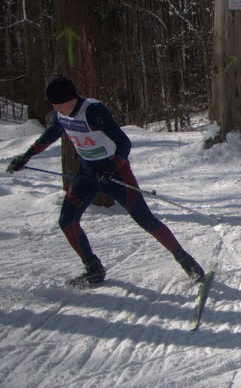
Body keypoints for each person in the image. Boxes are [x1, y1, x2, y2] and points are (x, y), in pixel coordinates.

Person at [5, 76, 205, 287]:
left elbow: (123, 142)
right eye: (53, 105)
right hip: (87, 174)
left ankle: (186, 261)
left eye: (58, 104)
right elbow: (49, 135)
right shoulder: (61, 115)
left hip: (116, 174)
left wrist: (112, 167)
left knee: (145, 219)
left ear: (71, 99)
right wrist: (25, 157)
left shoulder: (93, 111)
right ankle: (93, 269)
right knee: (66, 221)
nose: (56, 108)